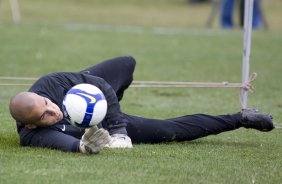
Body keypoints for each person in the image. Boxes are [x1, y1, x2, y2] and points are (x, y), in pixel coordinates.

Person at [9, 56, 274, 154]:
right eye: (45, 115)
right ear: (31, 124)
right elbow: (69, 145)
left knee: (126, 64)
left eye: (48, 104)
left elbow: (100, 83)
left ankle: (114, 111)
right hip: (99, 128)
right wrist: (88, 145)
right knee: (171, 130)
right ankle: (240, 118)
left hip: (96, 102)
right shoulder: (32, 136)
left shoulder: (50, 83)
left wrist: (119, 128)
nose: (52, 110)